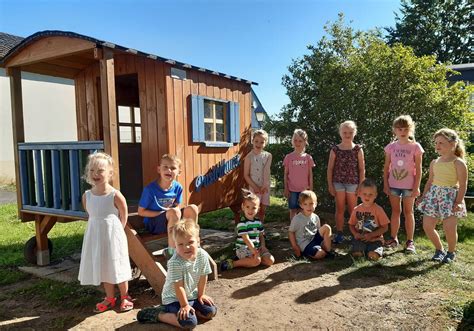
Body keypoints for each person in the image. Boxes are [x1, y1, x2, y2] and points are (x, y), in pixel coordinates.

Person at [77, 152, 133, 313]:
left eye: (100, 170)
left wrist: (116, 232)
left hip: (113, 237)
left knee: (116, 263)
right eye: (92, 170)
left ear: (110, 172)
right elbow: (91, 215)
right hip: (96, 236)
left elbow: (123, 214)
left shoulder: (115, 194)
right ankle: (109, 297)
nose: (96, 174)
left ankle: (125, 296)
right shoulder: (87, 196)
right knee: (104, 265)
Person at [137, 220, 217, 328]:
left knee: (210, 311)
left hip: (192, 296)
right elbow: (178, 286)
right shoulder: (175, 262)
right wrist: (184, 305)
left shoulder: (202, 255)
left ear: (198, 241)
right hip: (174, 299)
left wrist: (201, 295)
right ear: (175, 245)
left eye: (190, 242)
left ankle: (191, 311)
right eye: (181, 244)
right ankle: (158, 314)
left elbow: (203, 276)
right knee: (189, 323)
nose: (186, 247)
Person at [418, 128, 468, 263]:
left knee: (449, 228)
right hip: (433, 196)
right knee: (427, 226)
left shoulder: (458, 163)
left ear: (453, 144)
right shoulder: (435, 162)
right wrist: (423, 196)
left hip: (450, 198)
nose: (437, 146)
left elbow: (463, 185)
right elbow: (429, 181)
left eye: (441, 143)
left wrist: (458, 202)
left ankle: (451, 252)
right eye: (436, 143)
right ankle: (439, 249)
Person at [138, 154, 199, 258]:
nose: (169, 170)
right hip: (154, 223)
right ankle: (172, 251)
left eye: (173, 168)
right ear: (159, 169)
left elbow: (177, 206)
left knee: (192, 208)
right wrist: (164, 213)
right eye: (165, 167)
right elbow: (141, 211)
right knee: (174, 212)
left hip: (171, 219)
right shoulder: (150, 189)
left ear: (179, 172)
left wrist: (173, 214)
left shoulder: (178, 187)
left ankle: (193, 242)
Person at [383, 115, 424, 253]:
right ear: (395, 130)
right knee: (395, 211)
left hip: (409, 186)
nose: (402, 131)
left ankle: (410, 241)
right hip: (393, 184)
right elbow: (386, 167)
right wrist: (386, 184)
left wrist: (417, 186)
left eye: (406, 128)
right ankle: (394, 238)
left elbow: (419, 169)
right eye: (399, 128)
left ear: (410, 129)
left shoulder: (416, 147)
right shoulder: (391, 147)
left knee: (408, 212)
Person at [327, 120, 366, 244]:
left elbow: (361, 169)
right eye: (345, 132)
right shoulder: (335, 149)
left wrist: (361, 186)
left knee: (353, 209)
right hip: (338, 182)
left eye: (350, 132)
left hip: (353, 183)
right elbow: (330, 169)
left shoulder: (358, 149)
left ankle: (357, 233)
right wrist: (330, 185)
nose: (347, 134)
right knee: (339, 208)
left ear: (354, 133)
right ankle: (339, 233)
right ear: (340, 133)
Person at [220, 189, 275, 270]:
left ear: (258, 209)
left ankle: (251, 261)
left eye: (253, 208)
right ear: (243, 207)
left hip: (256, 248)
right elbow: (246, 239)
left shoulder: (258, 222)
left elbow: (261, 236)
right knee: (256, 261)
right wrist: (254, 252)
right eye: (248, 207)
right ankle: (234, 263)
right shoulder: (242, 223)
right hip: (244, 249)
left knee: (270, 261)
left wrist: (263, 246)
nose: (250, 210)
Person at [348, 179, 390, 261]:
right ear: (359, 194)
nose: (367, 197)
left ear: (375, 195)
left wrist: (372, 235)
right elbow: (351, 224)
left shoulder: (378, 209)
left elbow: (385, 227)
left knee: (373, 256)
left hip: (375, 240)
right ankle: (363, 250)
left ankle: (373, 251)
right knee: (357, 255)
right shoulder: (356, 209)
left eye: (370, 194)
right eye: (364, 194)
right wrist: (355, 234)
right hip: (360, 239)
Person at [288, 190, 332, 260]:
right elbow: (291, 232)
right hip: (305, 244)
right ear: (301, 205)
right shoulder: (297, 219)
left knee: (327, 227)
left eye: (311, 203)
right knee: (321, 254)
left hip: (314, 240)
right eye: (305, 204)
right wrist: (295, 246)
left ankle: (328, 252)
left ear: (316, 204)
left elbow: (318, 231)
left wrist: (324, 241)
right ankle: (307, 254)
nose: (309, 207)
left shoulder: (316, 217)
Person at [284, 129, 315, 221]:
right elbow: (285, 174)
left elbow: (310, 174)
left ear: (305, 142)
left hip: (305, 190)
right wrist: (286, 188)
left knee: (304, 210)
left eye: (300, 141)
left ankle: (303, 229)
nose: (297, 143)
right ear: (292, 141)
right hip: (292, 189)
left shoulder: (308, 158)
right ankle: (293, 228)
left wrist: (311, 190)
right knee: (293, 209)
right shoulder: (288, 157)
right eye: (295, 140)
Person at [244, 129, 272, 223]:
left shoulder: (268, 156)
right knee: (252, 210)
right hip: (253, 187)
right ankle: (251, 229)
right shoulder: (249, 157)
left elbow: (266, 171)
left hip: (264, 187)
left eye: (262, 142)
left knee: (262, 210)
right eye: (256, 141)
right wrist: (255, 187)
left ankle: (260, 230)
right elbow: (246, 175)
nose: (258, 144)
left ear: (265, 143)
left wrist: (265, 185)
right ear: (252, 141)